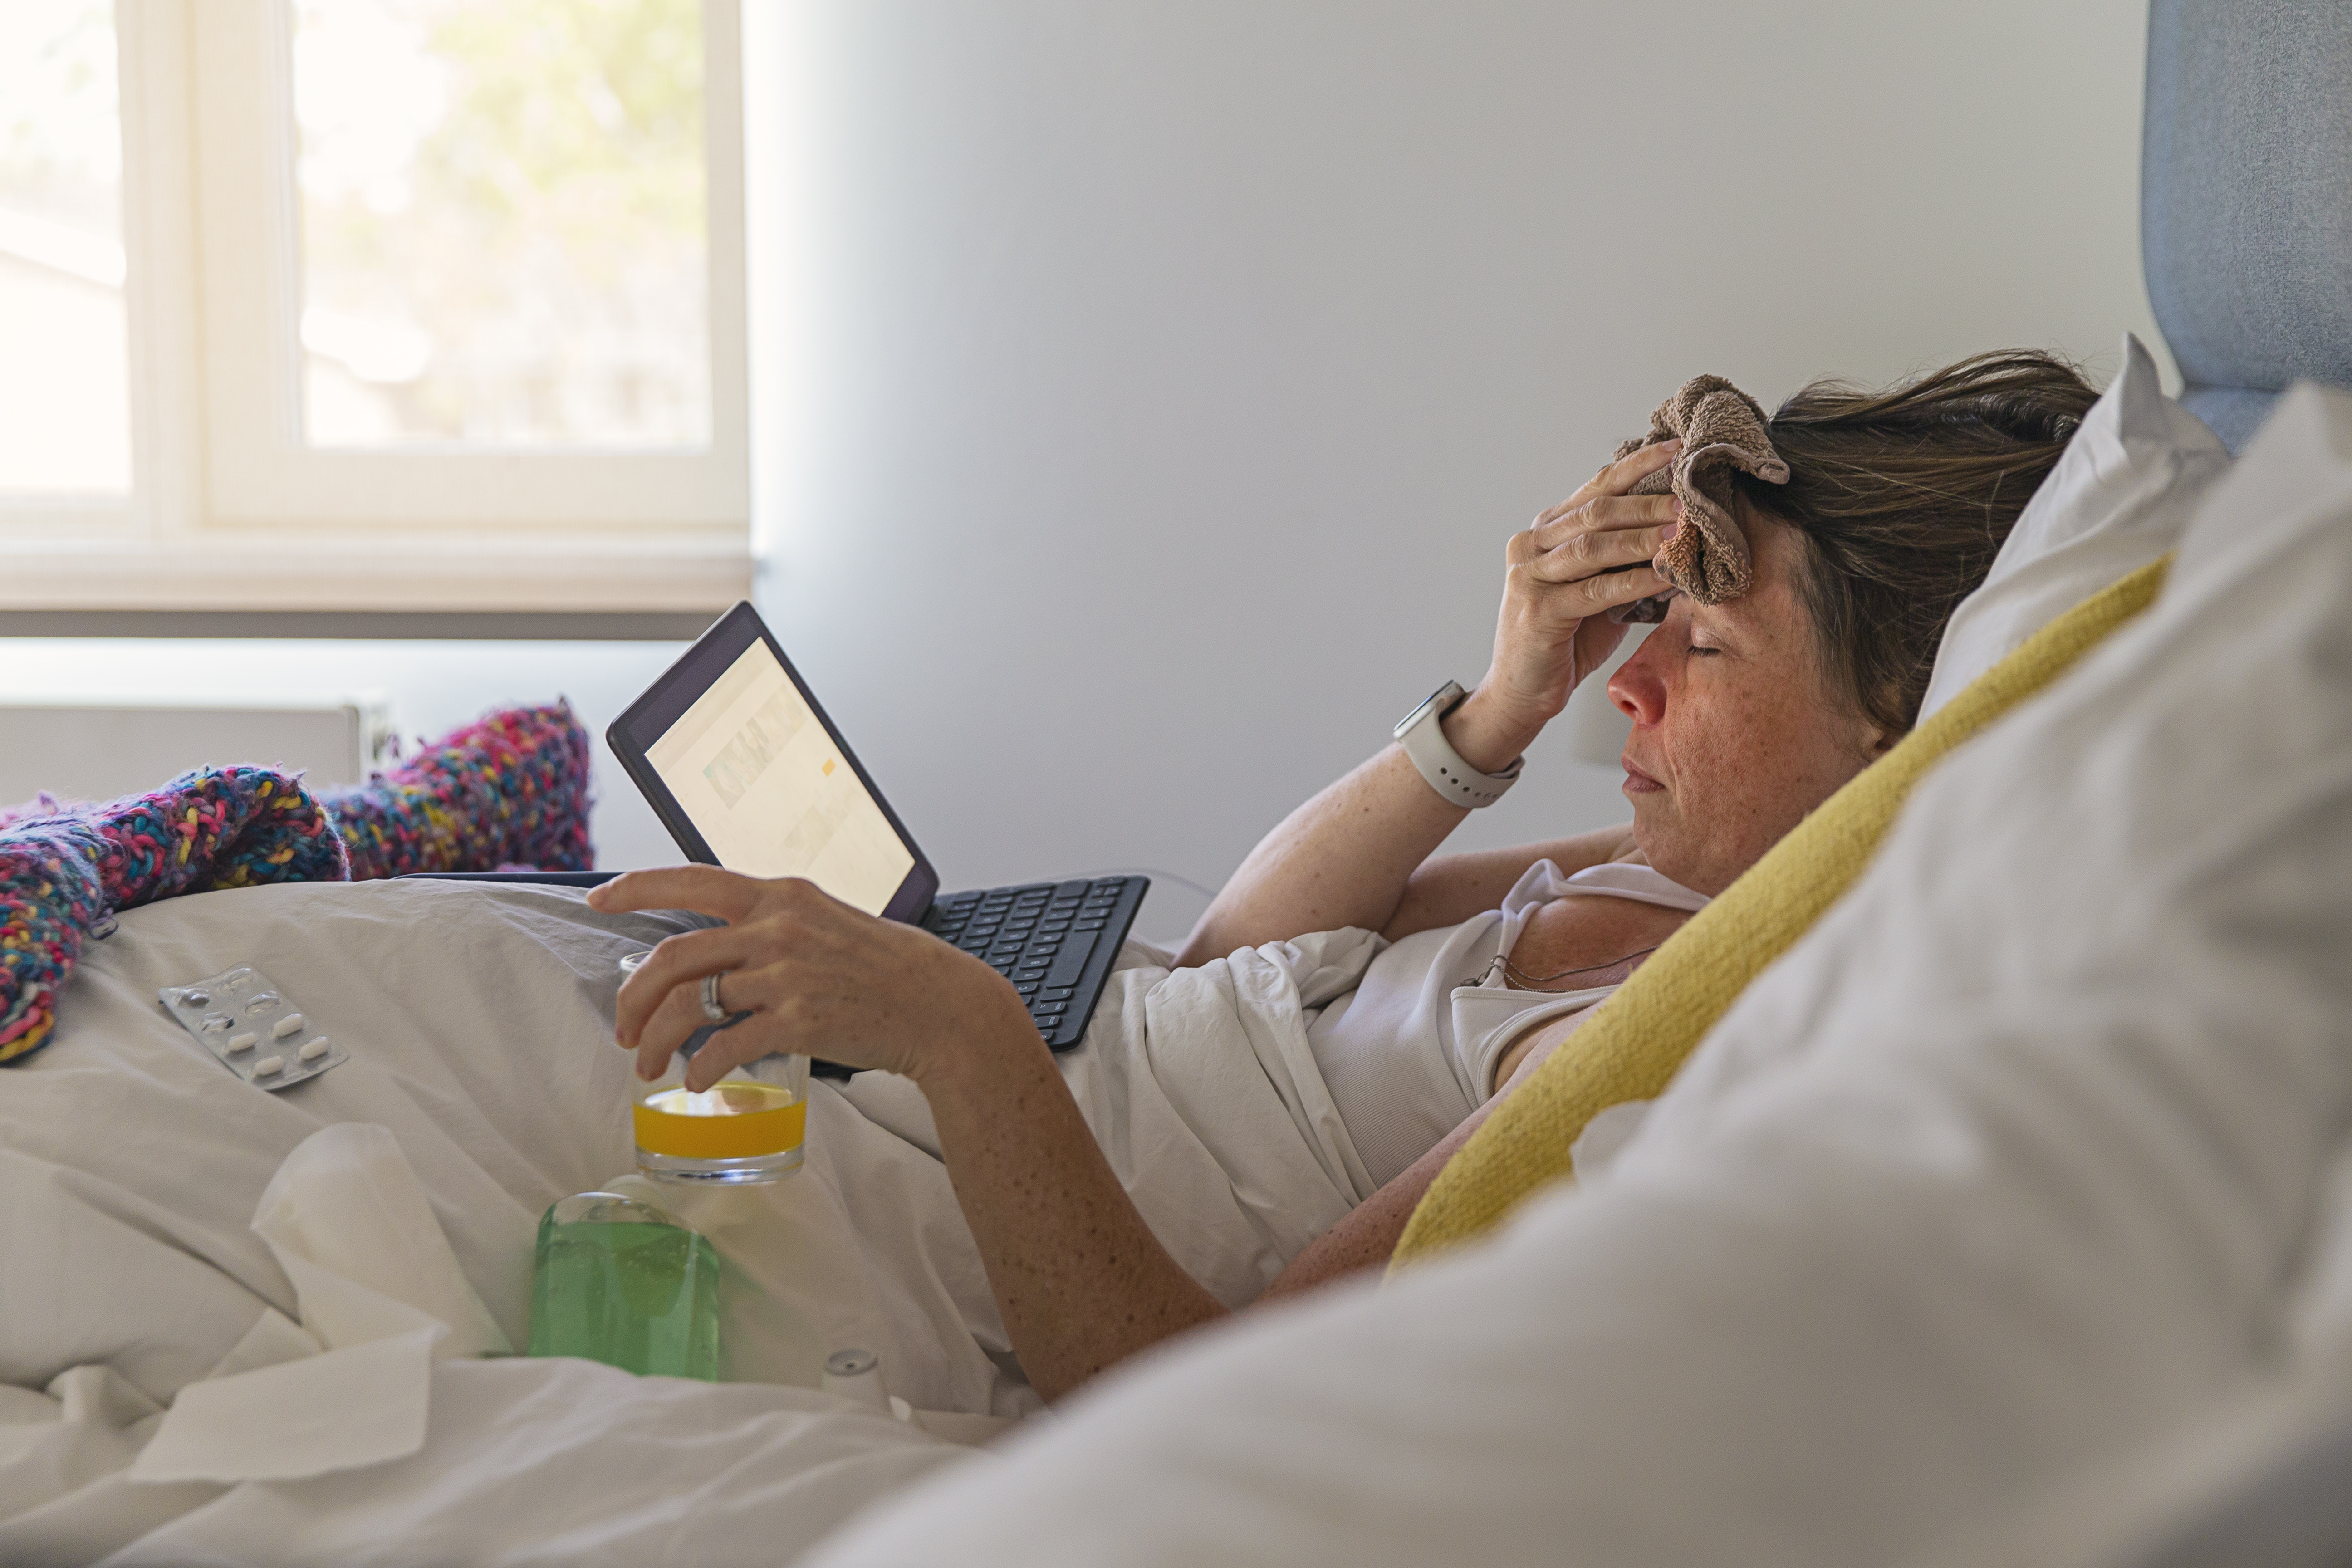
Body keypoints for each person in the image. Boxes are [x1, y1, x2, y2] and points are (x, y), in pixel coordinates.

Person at [590, 350, 2099, 1402]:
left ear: (1892, 738)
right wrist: (1498, 709)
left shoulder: (1670, 1051)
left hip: (960, 1193)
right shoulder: (1684, 874)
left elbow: (1187, 1396)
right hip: (1006, 1074)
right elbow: (1244, 954)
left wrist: (959, 1027)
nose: (1628, 685)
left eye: (1703, 646)